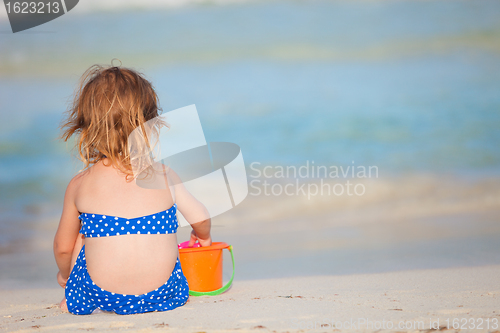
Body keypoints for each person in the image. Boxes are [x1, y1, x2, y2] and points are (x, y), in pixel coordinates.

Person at [54, 64, 211, 315]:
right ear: (150, 123)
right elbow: (200, 217)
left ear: (86, 125)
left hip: (100, 294)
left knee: (83, 235)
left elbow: (62, 248)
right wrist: (202, 236)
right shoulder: (164, 175)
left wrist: (65, 276)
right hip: (164, 293)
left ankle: (76, 296)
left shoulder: (79, 185)